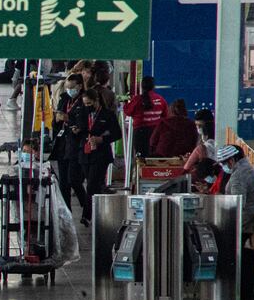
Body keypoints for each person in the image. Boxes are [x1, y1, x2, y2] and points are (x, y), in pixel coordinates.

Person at [216, 145, 254, 300]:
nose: (223, 167)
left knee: (234, 265)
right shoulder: (248, 169)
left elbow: (237, 205)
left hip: (240, 227)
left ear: (232, 160)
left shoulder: (238, 177)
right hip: (245, 226)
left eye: (223, 163)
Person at [74, 88, 122, 226]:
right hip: (85, 153)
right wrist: (77, 130)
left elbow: (116, 133)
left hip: (101, 155)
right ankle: (97, 212)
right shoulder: (82, 113)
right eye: (85, 104)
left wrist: (102, 139)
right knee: (93, 185)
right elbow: (79, 127)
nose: (87, 106)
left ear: (97, 101)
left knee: (92, 185)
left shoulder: (108, 115)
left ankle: (86, 216)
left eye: (89, 104)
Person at [50, 73, 89, 217]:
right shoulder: (64, 99)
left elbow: (84, 122)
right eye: (67, 87)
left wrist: (69, 118)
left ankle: (86, 207)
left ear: (79, 86)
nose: (69, 90)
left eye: (71, 87)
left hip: (76, 145)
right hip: (62, 144)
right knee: (63, 182)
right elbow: (55, 123)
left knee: (74, 179)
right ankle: (66, 212)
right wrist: (58, 119)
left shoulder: (84, 101)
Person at [125, 77, 169, 159]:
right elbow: (165, 116)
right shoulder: (160, 99)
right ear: (153, 86)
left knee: (141, 159)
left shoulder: (137, 99)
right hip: (156, 132)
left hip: (140, 133)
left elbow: (127, 111)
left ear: (141, 86)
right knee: (154, 158)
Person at [184, 108, 216, 173]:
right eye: (196, 125)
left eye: (200, 125)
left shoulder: (215, 139)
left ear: (208, 125)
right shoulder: (199, 137)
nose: (198, 128)